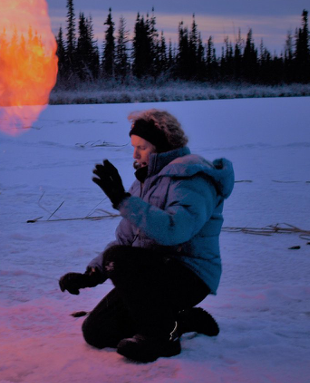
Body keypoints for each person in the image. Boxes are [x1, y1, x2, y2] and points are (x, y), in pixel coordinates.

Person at [59, 109, 234, 362]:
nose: (134, 154)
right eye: (133, 147)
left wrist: (123, 201)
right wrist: (92, 275)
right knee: (97, 331)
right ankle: (178, 322)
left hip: (189, 274)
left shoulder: (192, 178)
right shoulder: (145, 182)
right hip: (150, 276)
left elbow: (176, 230)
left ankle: (163, 339)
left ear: (161, 145)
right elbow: (125, 241)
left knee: (119, 259)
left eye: (141, 147)